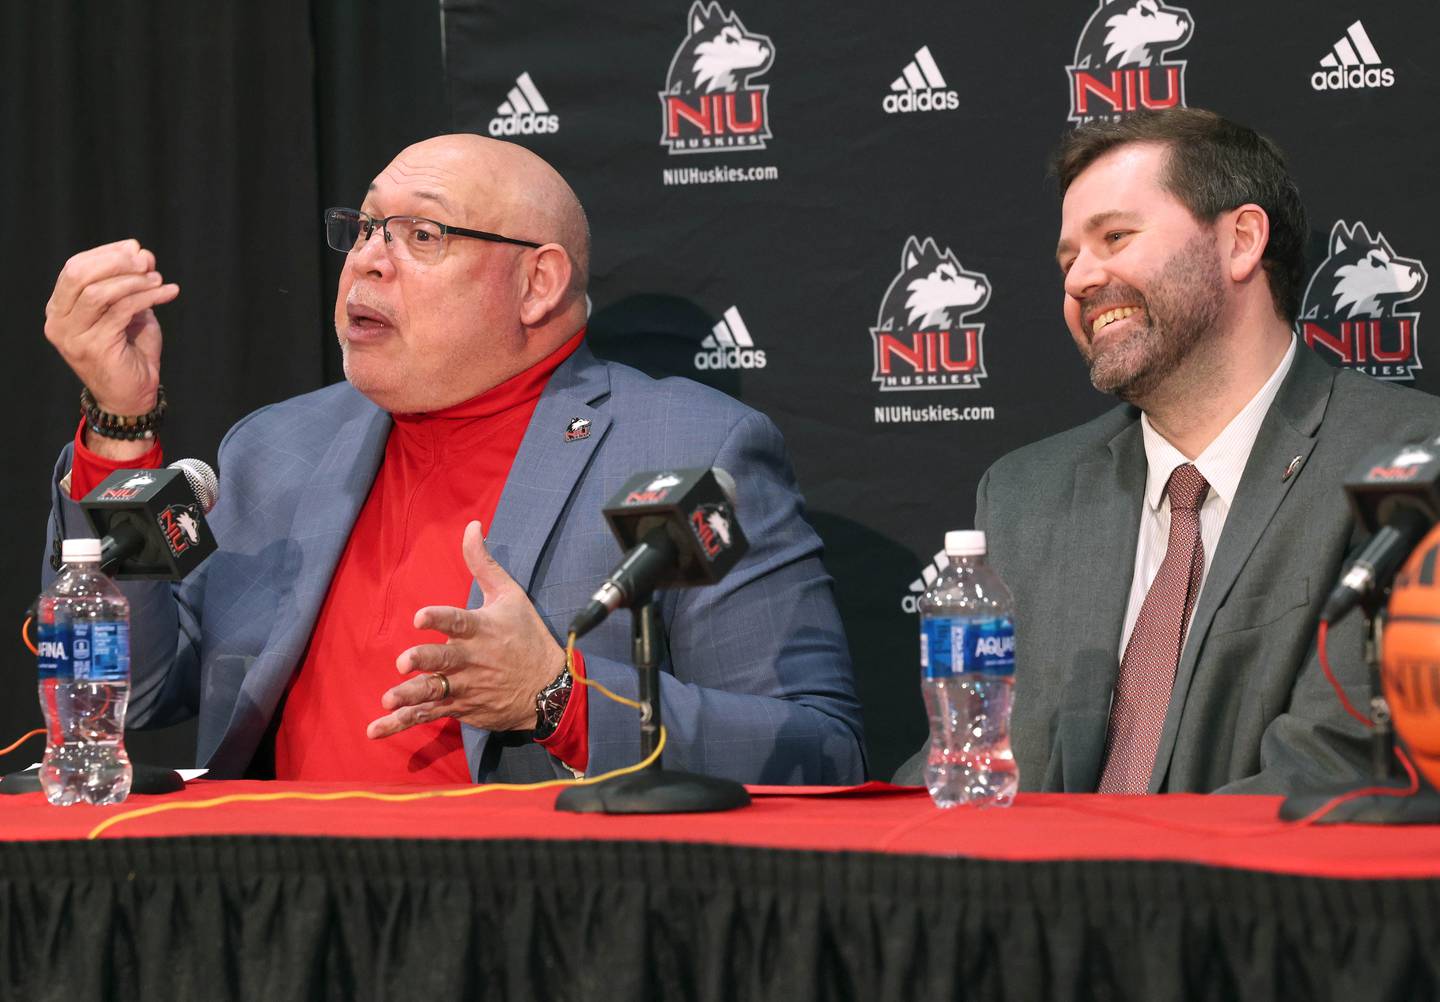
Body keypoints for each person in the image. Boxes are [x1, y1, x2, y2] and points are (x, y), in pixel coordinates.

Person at [41, 134, 865, 785]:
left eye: (422, 235)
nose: (367, 258)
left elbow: (822, 753)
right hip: (271, 909)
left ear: (537, 283)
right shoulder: (277, 448)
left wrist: (560, 702)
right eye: (363, 229)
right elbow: (135, 691)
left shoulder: (688, 448)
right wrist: (122, 422)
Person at [896, 108, 1440, 795]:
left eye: (1115, 237)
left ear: (1241, 241)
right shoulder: (1023, 494)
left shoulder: (1407, 464)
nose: (1078, 280)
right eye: (1068, 259)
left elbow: (1340, 768)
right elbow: (970, 766)